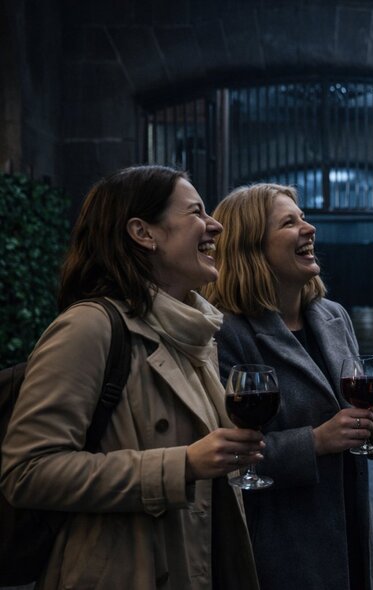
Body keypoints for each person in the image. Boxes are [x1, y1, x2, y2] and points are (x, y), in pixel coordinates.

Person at [0, 165, 263, 589]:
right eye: (196, 212)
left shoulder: (194, 331)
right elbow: (27, 472)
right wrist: (183, 465)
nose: (214, 224)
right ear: (144, 233)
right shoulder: (88, 327)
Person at [204, 183, 373, 590]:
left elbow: (353, 415)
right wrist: (317, 441)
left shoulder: (333, 316)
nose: (310, 228)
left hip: (354, 535)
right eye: (290, 222)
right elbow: (221, 456)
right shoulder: (224, 332)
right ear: (251, 246)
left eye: (302, 217)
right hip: (285, 547)